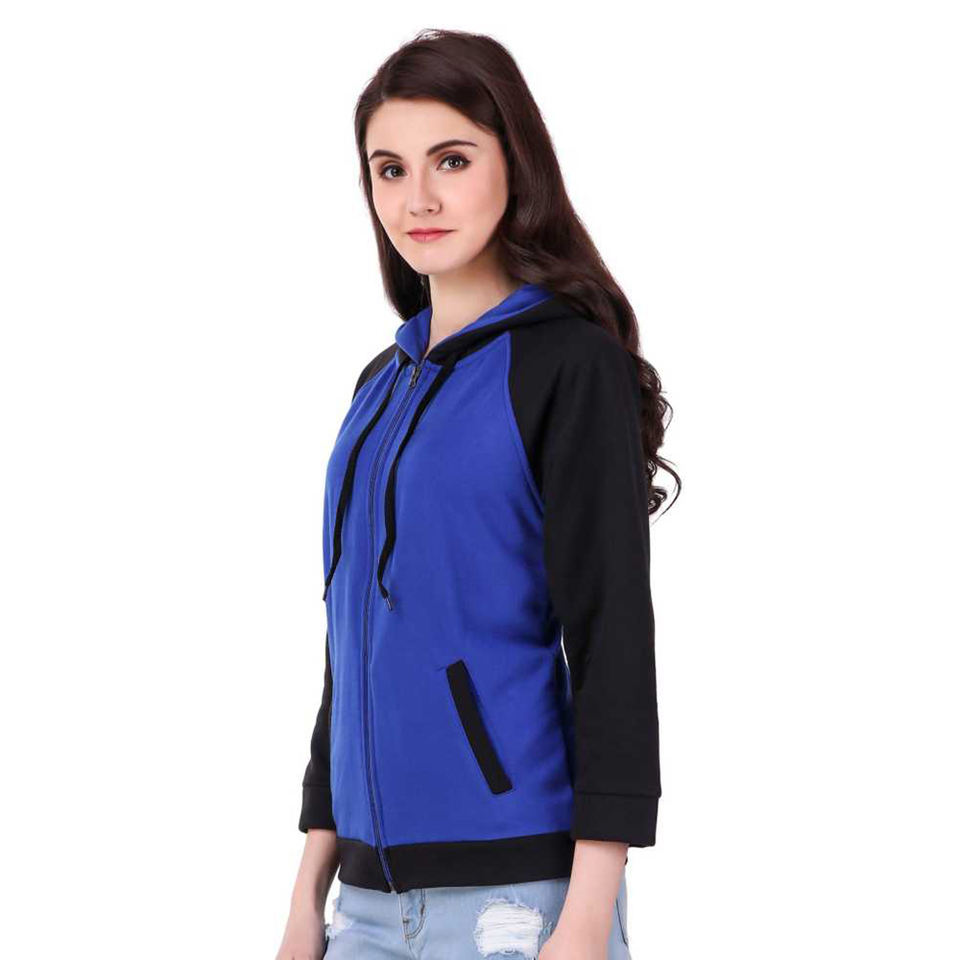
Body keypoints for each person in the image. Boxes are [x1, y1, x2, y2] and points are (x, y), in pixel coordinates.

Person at [276, 28, 680, 960]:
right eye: (389, 169)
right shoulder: (380, 386)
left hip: (515, 902)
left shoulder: (568, 366)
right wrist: (306, 898)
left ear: (515, 164)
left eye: (451, 160)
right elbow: (352, 646)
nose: (417, 198)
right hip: (362, 907)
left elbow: (613, 638)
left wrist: (586, 917)